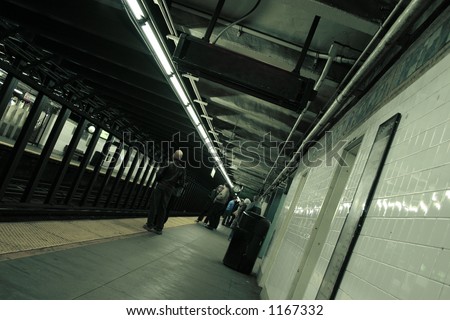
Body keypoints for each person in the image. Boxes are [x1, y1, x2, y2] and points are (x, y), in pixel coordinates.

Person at [143, 150, 186, 235]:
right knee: (163, 208)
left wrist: (160, 181)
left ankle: (149, 225)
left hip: (161, 186)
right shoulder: (182, 169)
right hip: (170, 189)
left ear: (174, 155)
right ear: (180, 158)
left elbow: (159, 174)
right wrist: (173, 185)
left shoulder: (168, 163)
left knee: (154, 205)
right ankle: (159, 228)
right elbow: (182, 183)